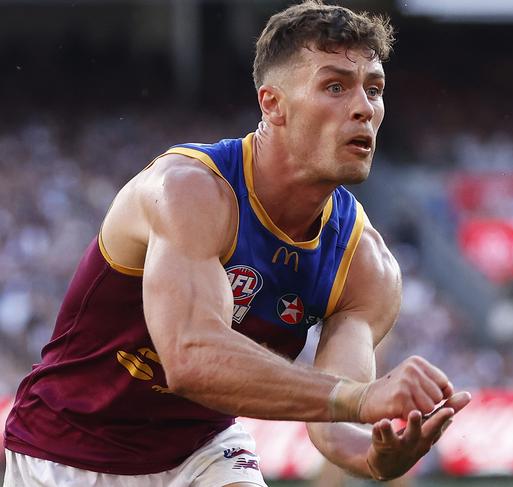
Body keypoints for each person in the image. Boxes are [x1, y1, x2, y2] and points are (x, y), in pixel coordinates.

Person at [3, 1, 471, 485]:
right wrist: (357, 399)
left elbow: (335, 424)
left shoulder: (365, 264)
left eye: (374, 89)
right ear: (272, 104)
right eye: (335, 86)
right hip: (68, 448)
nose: (363, 108)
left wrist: (374, 457)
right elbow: (190, 358)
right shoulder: (189, 191)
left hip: (200, 450)